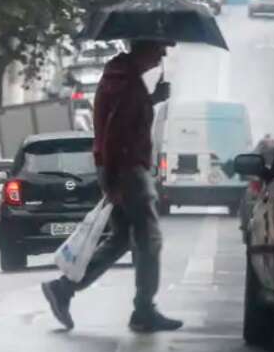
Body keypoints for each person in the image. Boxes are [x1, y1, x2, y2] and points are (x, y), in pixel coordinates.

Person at [42, 39, 182, 333]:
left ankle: (64, 289)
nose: (163, 53)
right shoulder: (125, 82)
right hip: (129, 170)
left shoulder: (123, 79)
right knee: (149, 239)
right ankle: (144, 309)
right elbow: (115, 132)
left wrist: (152, 99)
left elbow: (123, 122)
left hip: (121, 168)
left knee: (120, 238)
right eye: (159, 47)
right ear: (144, 47)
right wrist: (113, 176)